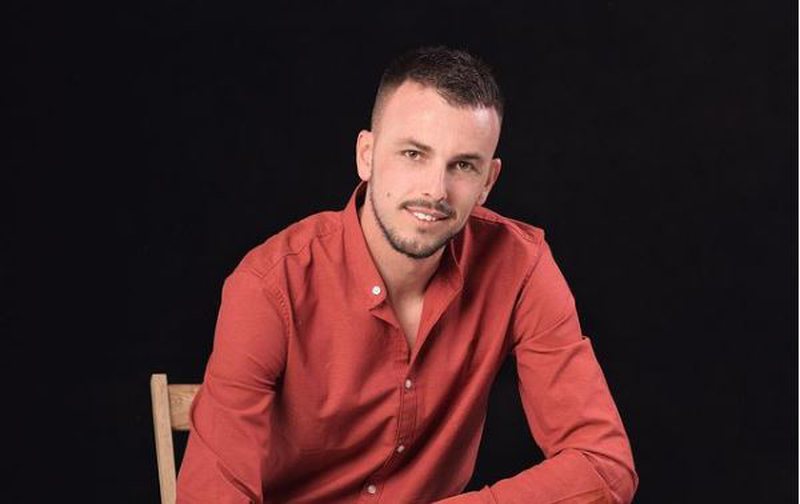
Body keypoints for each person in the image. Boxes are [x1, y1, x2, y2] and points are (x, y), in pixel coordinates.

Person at [176, 46, 638, 503]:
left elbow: (604, 466)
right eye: (414, 154)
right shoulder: (270, 284)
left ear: (487, 182)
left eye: (463, 165)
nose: (435, 191)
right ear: (367, 155)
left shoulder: (520, 265)